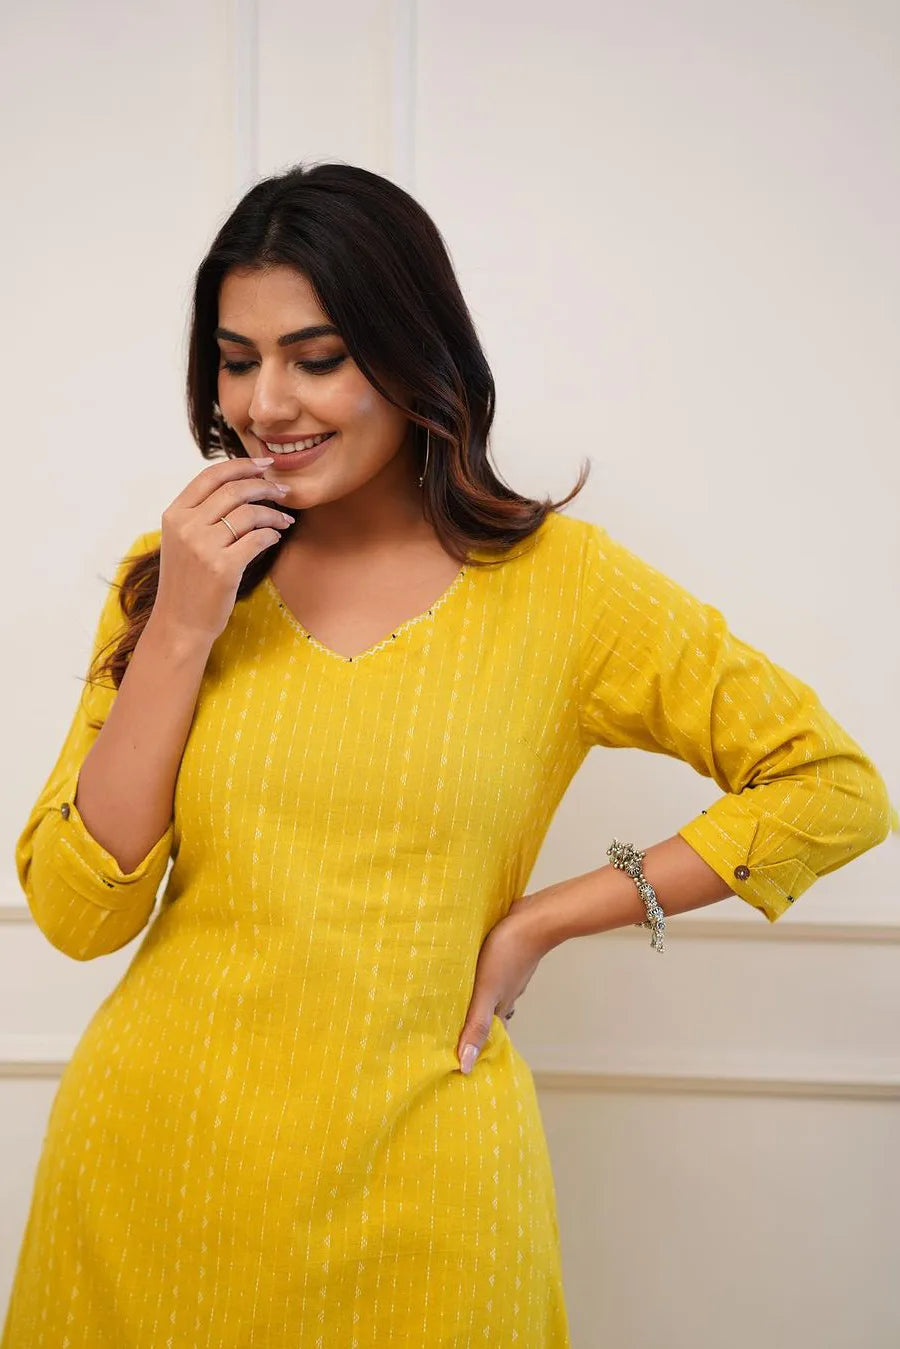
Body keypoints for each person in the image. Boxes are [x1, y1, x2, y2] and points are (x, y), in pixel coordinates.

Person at [3, 162, 894, 1348]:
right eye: (235, 359)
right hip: (152, 1174)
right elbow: (80, 913)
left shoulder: (565, 588)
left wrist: (548, 917)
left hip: (429, 1181)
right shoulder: (175, 581)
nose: (267, 402)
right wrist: (179, 627)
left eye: (317, 357)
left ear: (411, 351)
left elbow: (831, 785)